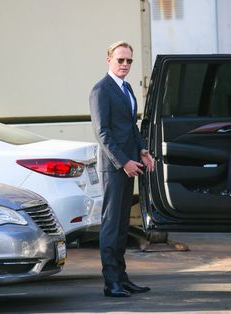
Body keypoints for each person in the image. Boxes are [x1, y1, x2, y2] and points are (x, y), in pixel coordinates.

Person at [89, 41, 154, 297]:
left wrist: (141, 150)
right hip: (115, 167)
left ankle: (122, 277)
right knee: (110, 224)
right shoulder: (101, 90)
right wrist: (123, 162)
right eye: (120, 60)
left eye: (129, 61)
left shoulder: (126, 89)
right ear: (109, 60)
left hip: (130, 165)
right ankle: (111, 282)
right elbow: (102, 133)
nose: (125, 65)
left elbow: (131, 127)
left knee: (122, 224)